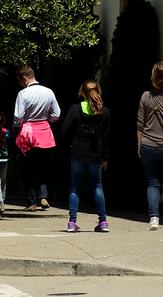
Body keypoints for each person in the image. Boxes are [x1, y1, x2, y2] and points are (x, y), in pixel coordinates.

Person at [57, 79, 110, 232]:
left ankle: (72, 222)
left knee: (75, 186)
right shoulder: (104, 112)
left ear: (82, 93)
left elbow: (64, 131)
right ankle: (103, 222)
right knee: (97, 187)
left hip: (78, 152)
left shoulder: (75, 109)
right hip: (96, 154)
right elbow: (105, 137)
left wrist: (71, 144)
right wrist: (105, 157)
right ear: (98, 91)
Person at [12, 65, 61, 210]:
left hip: (28, 132)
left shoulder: (23, 94)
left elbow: (18, 116)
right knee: (43, 167)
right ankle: (43, 196)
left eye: (20, 81)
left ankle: (31, 201)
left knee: (27, 168)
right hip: (44, 132)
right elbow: (56, 114)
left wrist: (17, 125)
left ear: (24, 78)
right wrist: (47, 120)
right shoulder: (49, 92)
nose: (20, 84)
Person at [139, 60, 163, 230]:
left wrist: (139, 145)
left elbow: (140, 124)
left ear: (153, 78)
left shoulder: (146, 96)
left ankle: (154, 217)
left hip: (148, 144)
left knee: (152, 183)